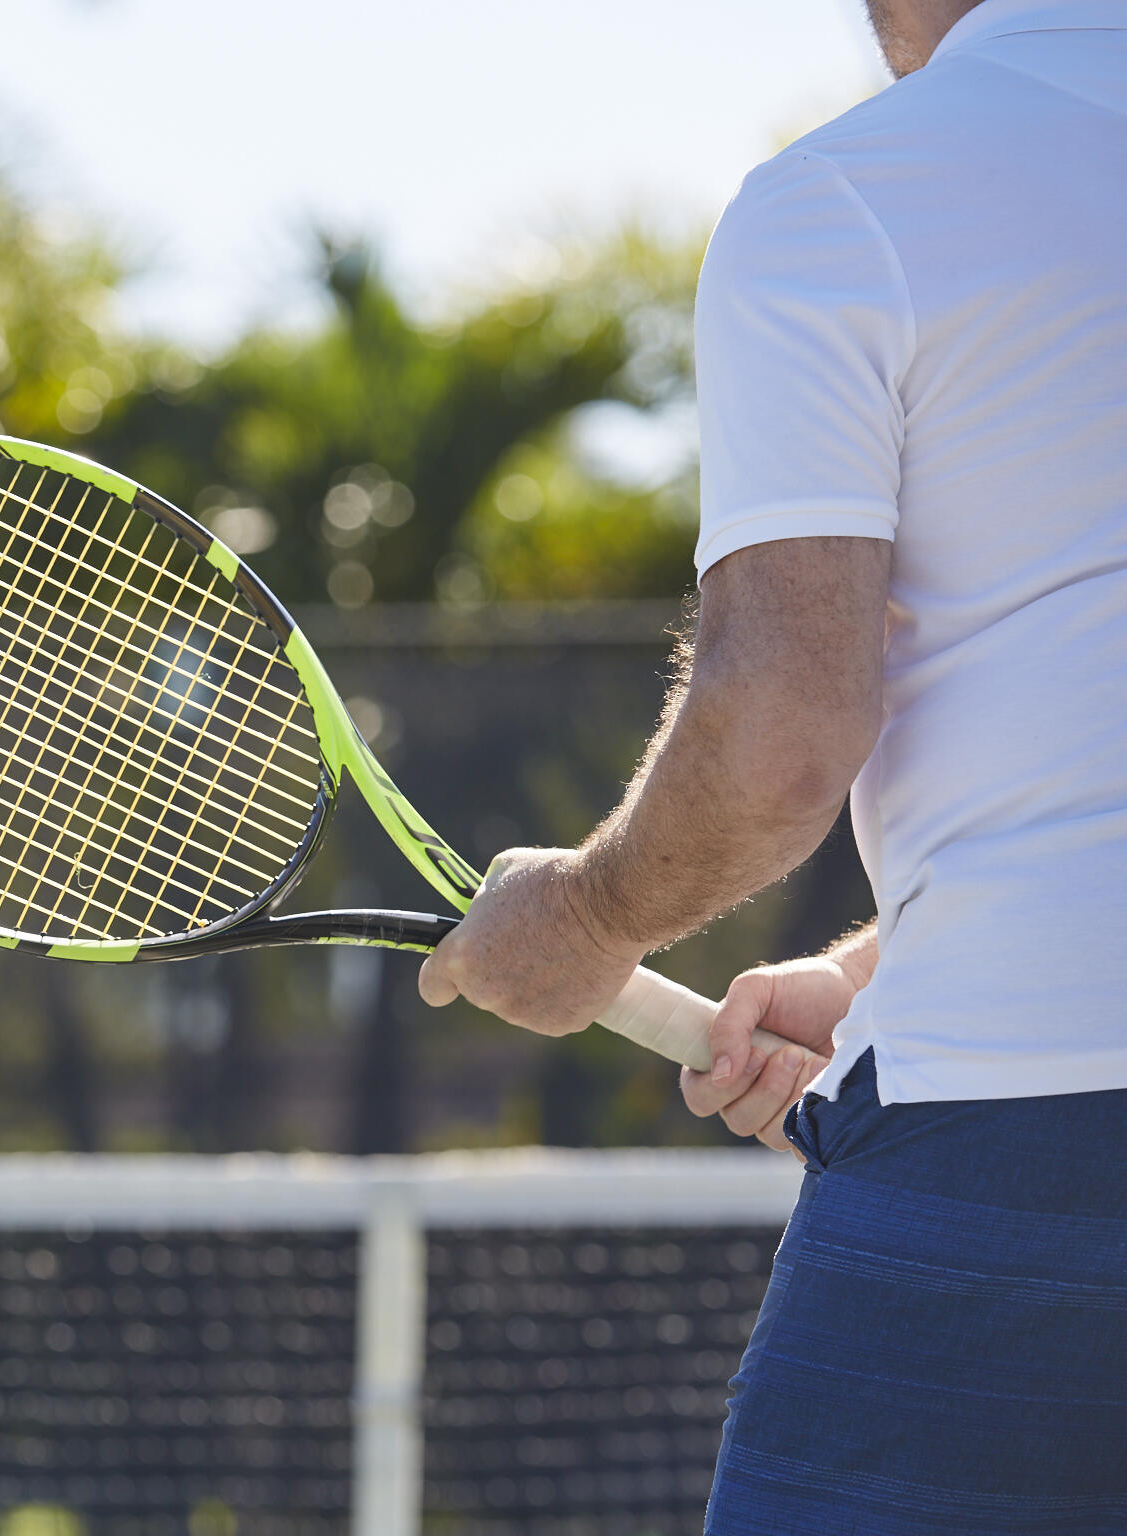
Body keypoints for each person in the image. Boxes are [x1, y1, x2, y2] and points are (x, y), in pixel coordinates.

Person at [411, 0, 1127, 1527]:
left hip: (1019, 1159)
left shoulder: (849, 206)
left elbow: (789, 732)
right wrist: (879, 970)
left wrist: (587, 922)